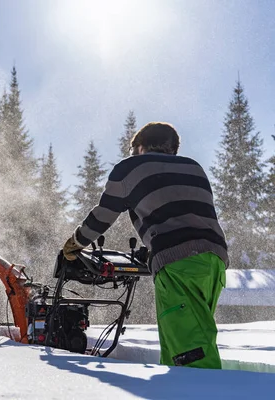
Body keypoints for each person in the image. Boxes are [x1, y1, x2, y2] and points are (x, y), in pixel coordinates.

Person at [63, 122, 228, 369]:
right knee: (188, 333)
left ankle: (202, 392)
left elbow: (104, 214)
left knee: (190, 350)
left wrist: (76, 243)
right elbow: (184, 214)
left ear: (140, 147)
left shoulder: (130, 167)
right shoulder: (193, 167)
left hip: (178, 263)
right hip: (214, 261)